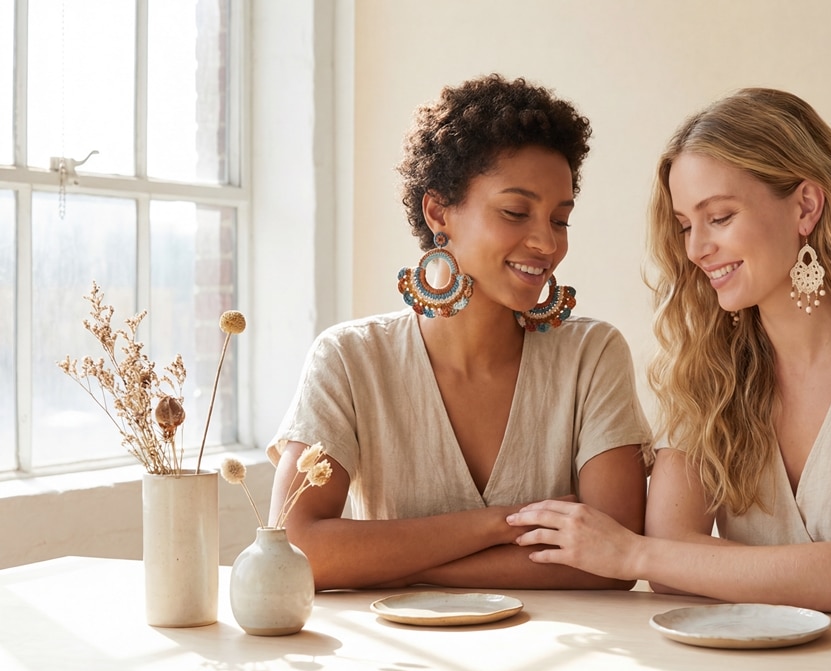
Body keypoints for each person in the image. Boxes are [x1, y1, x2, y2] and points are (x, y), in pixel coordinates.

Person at [508, 88, 831, 615]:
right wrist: (830, 573)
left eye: (720, 217)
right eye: (686, 224)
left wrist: (637, 554)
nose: (695, 249)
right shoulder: (705, 366)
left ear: (805, 207)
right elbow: (674, 569)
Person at [267, 74, 652, 592]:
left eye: (560, 220)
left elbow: (614, 558)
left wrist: (393, 560)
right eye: (516, 212)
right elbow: (296, 550)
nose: (546, 242)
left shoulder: (592, 354)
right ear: (438, 211)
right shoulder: (349, 359)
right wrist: (499, 524)